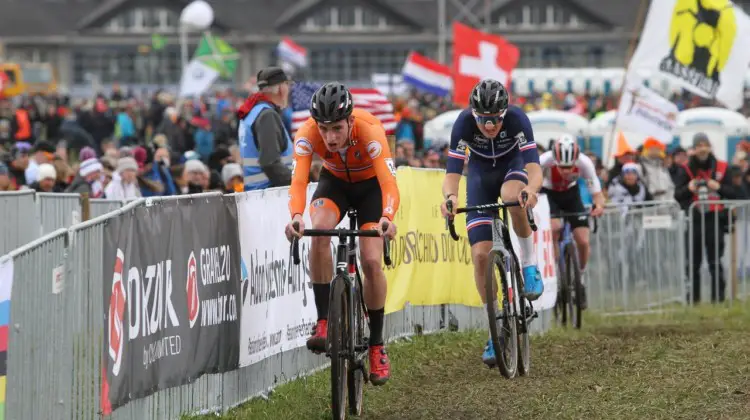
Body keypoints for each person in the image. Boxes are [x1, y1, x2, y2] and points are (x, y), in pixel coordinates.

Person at [284, 82, 399, 386]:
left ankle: (376, 345)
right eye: (324, 129)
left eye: (336, 128)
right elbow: (298, 183)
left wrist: (387, 218)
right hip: (334, 183)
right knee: (318, 232)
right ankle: (323, 321)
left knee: (372, 260)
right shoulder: (307, 134)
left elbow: (389, 185)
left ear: (349, 120)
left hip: (371, 189)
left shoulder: (371, 131)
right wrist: (296, 216)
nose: (330, 138)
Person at [439, 79, 543, 367]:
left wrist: (531, 190)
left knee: (513, 196)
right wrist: (449, 197)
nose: (489, 125)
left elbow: (534, 168)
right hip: (480, 177)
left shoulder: (518, 119)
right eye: (483, 120)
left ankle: (530, 264)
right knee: (481, 255)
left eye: (496, 119)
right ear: (474, 114)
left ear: (504, 112)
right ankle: (494, 328)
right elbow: (452, 172)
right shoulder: (463, 123)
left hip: (513, 168)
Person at [539, 134, 605, 309]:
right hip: (549, 194)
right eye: (562, 167)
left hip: (571, 195)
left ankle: (580, 278)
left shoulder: (585, 163)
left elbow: (596, 192)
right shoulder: (544, 160)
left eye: (570, 166)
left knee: (583, 240)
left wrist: (598, 205)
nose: (567, 171)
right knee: (554, 228)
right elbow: (529, 182)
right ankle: (556, 274)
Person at [673, 133, 741, 304]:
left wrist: (718, 187)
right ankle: (693, 300)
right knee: (693, 263)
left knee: (715, 261)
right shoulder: (685, 169)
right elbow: (677, 195)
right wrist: (689, 188)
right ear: (694, 149)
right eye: (699, 146)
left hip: (715, 219)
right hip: (694, 219)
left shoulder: (722, 167)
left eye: (705, 145)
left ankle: (718, 299)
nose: (702, 149)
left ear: (710, 147)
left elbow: (734, 193)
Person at [237, 67, 294, 190]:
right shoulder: (267, 115)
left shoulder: (253, 112)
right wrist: (297, 185)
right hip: (270, 194)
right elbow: (270, 163)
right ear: (280, 89)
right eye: (287, 84)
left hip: (258, 193)